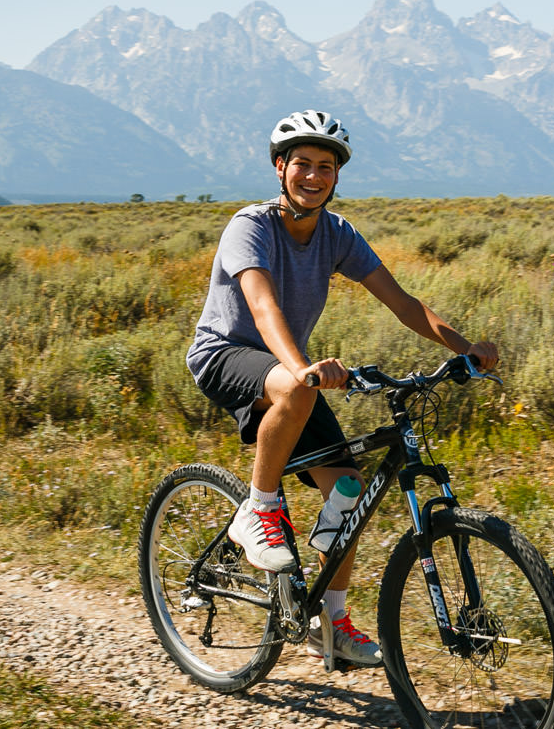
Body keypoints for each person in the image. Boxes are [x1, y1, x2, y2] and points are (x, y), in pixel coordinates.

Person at [185, 109, 498, 667]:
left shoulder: (336, 235)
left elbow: (402, 303)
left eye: (324, 167)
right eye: (301, 164)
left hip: (285, 371)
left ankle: (328, 620)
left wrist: (464, 348)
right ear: (280, 169)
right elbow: (262, 306)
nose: (313, 176)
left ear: (336, 176)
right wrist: (303, 367)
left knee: (348, 490)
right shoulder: (249, 227)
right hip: (225, 354)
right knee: (298, 389)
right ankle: (256, 511)